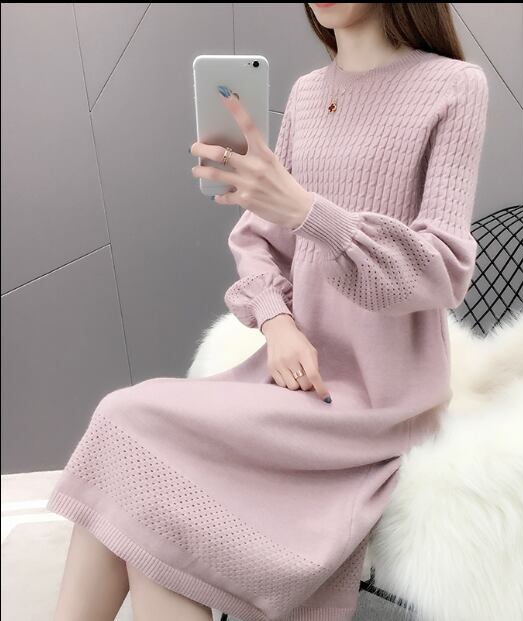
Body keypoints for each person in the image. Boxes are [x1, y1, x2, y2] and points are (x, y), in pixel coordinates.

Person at [47, 3, 489, 620]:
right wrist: (277, 323)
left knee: (128, 425)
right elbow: (257, 238)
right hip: (291, 374)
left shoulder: (454, 86)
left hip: (380, 398)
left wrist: (308, 211)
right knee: (146, 498)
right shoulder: (308, 95)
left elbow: (442, 269)